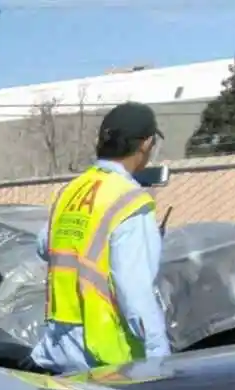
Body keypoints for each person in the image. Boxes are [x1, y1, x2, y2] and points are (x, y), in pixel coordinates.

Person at [31, 101, 171, 373]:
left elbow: (45, 245)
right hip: (108, 357)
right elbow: (135, 292)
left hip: (62, 349)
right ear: (145, 144)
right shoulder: (129, 200)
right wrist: (158, 357)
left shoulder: (72, 190)